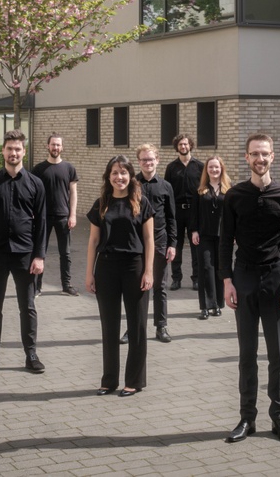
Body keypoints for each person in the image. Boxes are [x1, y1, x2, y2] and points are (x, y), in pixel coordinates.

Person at [220, 133, 280, 444]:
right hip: (243, 277)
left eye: (265, 153)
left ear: (272, 156)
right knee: (247, 354)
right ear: (247, 158)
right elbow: (224, 241)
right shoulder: (234, 196)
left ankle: (279, 417)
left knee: (277, 355)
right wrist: (227, 281)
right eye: (254, 153)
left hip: (276, 278)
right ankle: (247, 418)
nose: (260, 158)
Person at [0, 129, 47, 376]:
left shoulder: (36, 184)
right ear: (3, 151)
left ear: (24, 151)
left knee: (28, 307)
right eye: (9, 149)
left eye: (17, 149)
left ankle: (31, 354)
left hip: (26, 255)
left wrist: (39, 256)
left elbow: (42, 223)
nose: (13, 153)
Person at [85, 155, 155, 396]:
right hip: (106, 268)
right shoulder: (101, 204)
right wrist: (89, 274)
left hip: (135, 267)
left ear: (131, 176)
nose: (119, 177)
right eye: (114, 173)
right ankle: (109, 380)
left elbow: (149, 240)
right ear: (108, 177)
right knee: (109, 325)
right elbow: (93, 241)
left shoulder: (142, 202)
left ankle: (134, 381)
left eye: (123, 172)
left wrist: (149, 271)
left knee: (137, 326)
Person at [31, 133, 80, 297]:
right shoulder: (38, 169)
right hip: (43, 217)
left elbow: (73, 193)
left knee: (65, 254)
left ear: (62, 147)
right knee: (40, 253)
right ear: (48, 146)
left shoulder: (69, 168)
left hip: (63, 217)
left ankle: (66, 285)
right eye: (53, 144)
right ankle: (37, 287)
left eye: (58, 145)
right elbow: (32, 194)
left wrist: (73, 215)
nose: (55, 147)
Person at [136, 144, 176, 343]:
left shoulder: (166, 186)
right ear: (139, 162)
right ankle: (134, 328)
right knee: (137, 287)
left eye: (150, 159)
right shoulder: (132, 184)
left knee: (160, 286)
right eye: (144, 159)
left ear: (157, 160)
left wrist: (173, 244)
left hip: (160, 241)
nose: (147, 163)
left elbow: (171, 218)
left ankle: (161, 327)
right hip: (137, 243)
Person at [190, 155, 231, 319]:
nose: (214, 170)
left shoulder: (229, 190)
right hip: (204, 234)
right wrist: (194, 231)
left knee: (220, 269)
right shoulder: (200, 190)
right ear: (206, 170)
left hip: (223, 236)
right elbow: (194, 212)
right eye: (211, 167)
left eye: (216, 167)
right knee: (206, 268)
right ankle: (206, 306)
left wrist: (234, 233)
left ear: (222, 169)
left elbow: (233, 214)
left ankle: (218, 304)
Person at [164, 134, 203, 291]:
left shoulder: (199, 166)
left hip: (195, 211)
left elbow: (204, 189)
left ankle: (197, 279)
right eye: (180, 144)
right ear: (177, 147)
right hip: (177, 212)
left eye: (185, 144)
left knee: (196, 246)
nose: (183, 146)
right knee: (176, 246)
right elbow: (167, 191)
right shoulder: (171, 168)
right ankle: (176, 279)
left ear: (190, 145)